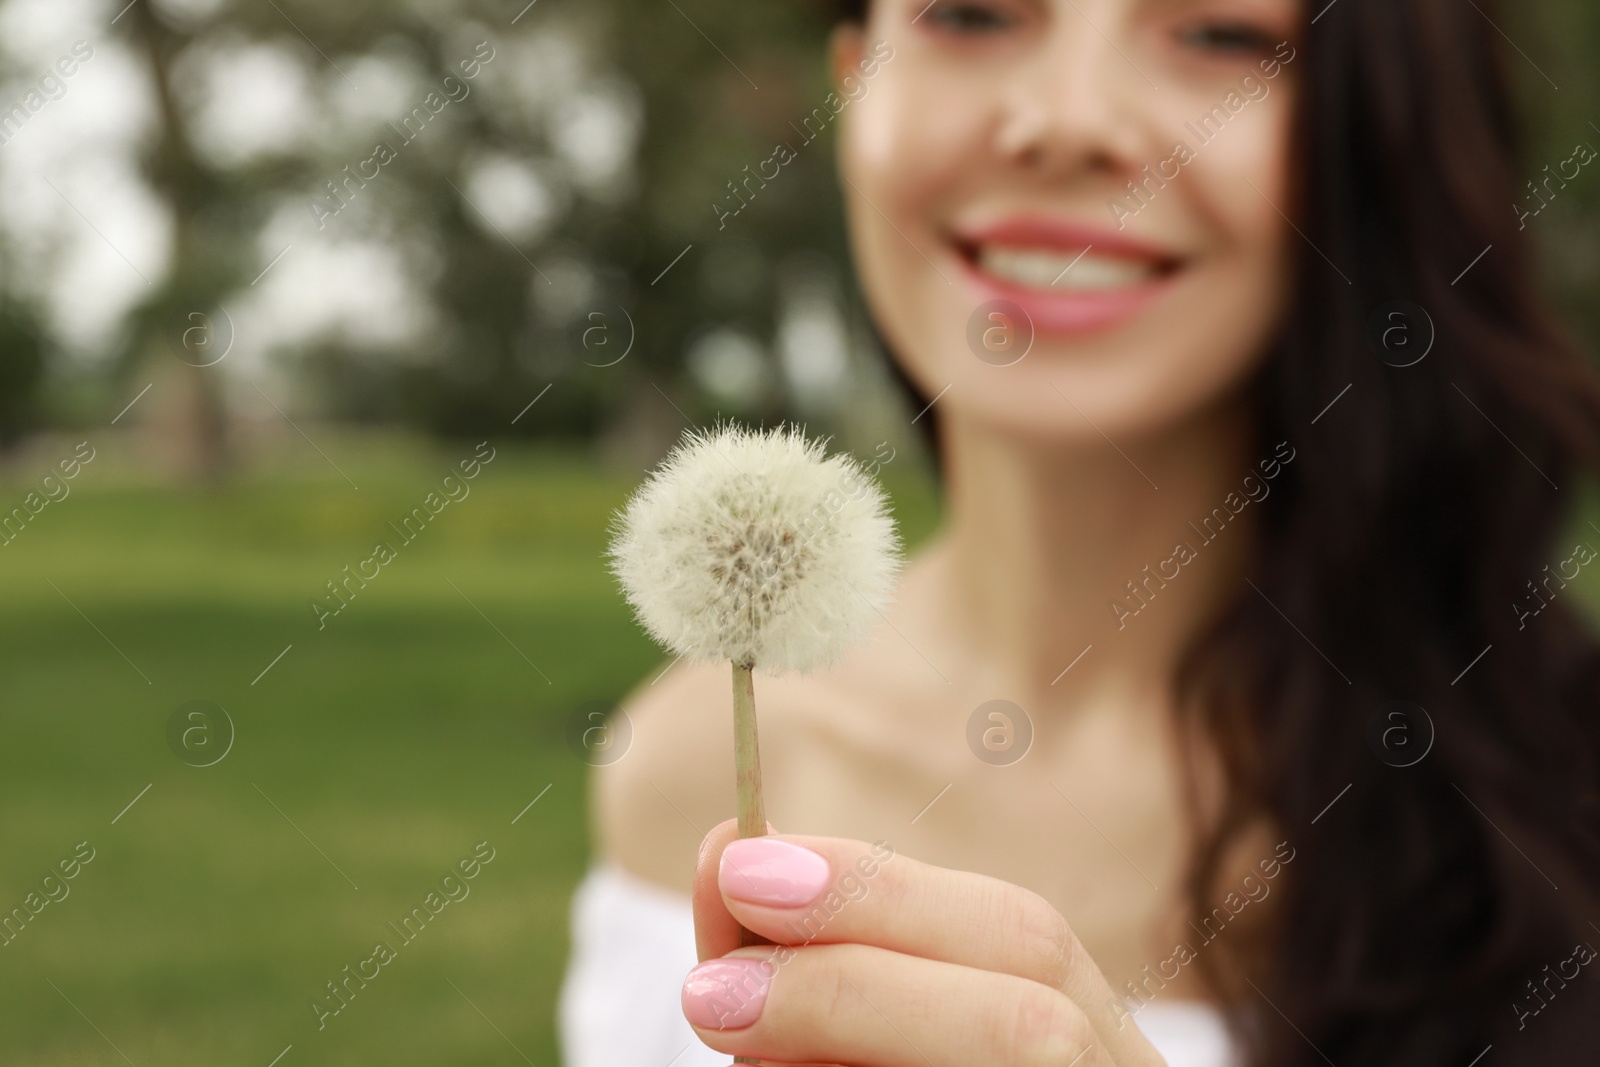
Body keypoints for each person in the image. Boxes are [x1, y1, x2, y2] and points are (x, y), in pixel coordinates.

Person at [562, 0, 1600, 1063]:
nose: (1064, 120)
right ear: (853, 82)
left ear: (1383, 123)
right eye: (969, 16)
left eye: (1216, 36)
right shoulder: (688, 769)